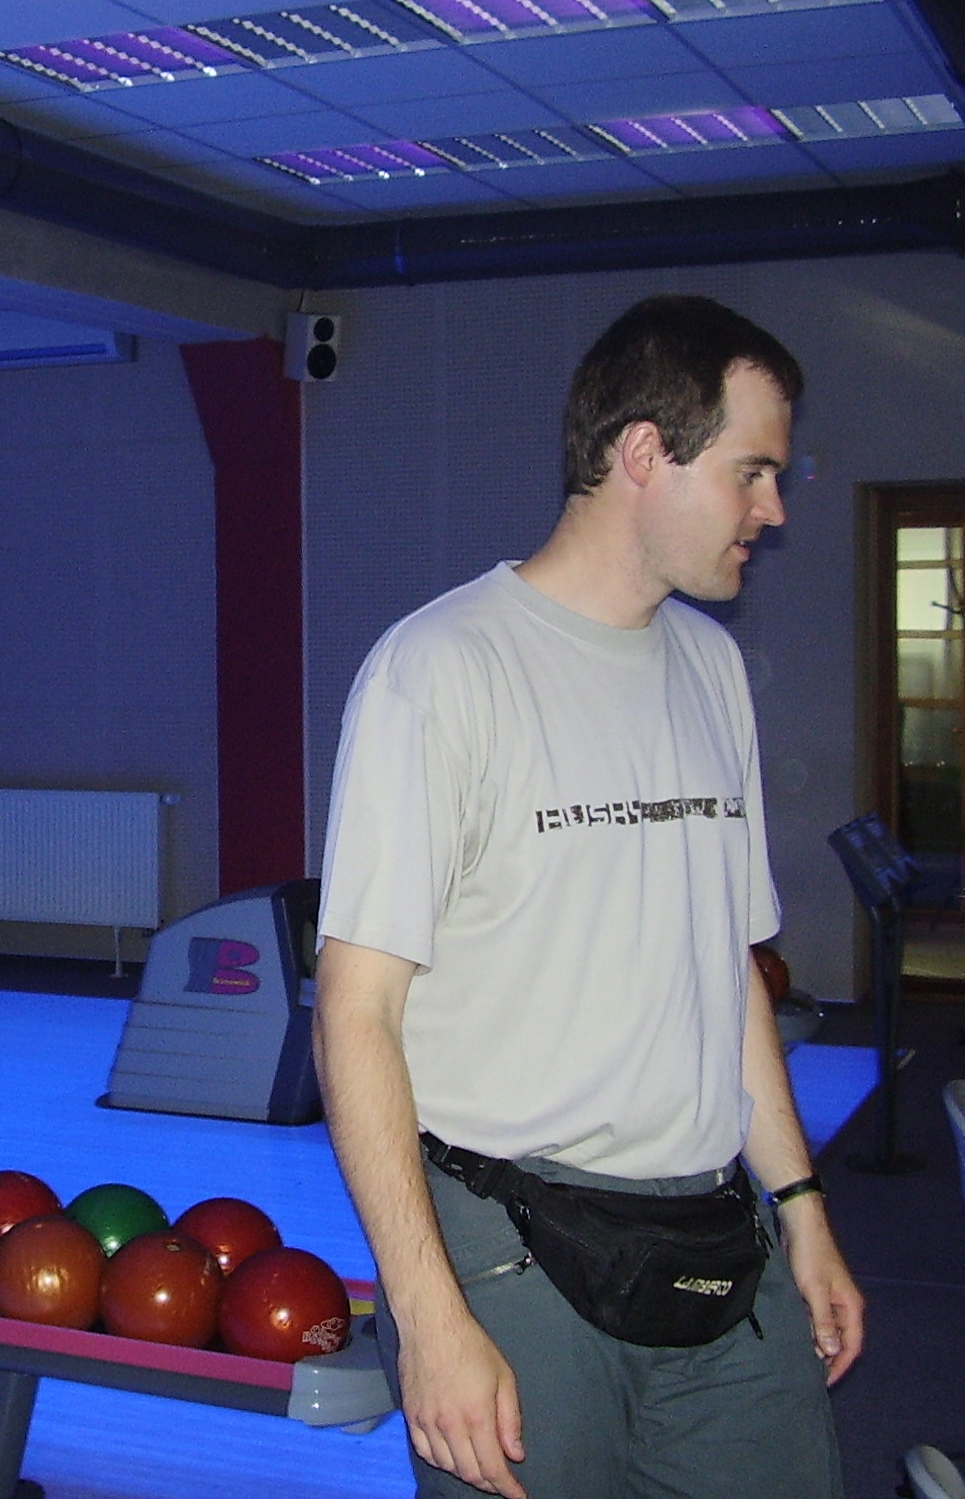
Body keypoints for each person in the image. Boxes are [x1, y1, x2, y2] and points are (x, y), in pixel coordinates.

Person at [315, 295, 863, 1499]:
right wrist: (428, 1317)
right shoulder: (439, 670)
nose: (772, 509)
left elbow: (726, 976)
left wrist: (801, 1208)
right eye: (751, 471)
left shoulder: (711, 670)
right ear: (643, 454)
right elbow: (354, 1016)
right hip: (505, 1246)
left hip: (712, 1221)